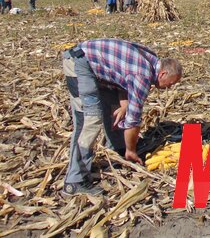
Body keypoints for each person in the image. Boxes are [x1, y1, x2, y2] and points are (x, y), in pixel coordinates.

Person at [62, 39, 183, 195]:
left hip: (99, 72)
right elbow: (133, 121)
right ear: (163, 74)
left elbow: (122, 75)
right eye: (171, 83)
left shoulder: (151, 59)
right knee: (89, 120)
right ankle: (75, 181)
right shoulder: (143, 75)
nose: (170, 87)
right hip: (81, 64)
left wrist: (124, 103)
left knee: (116, 109)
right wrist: (132, 149)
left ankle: (117, 152)